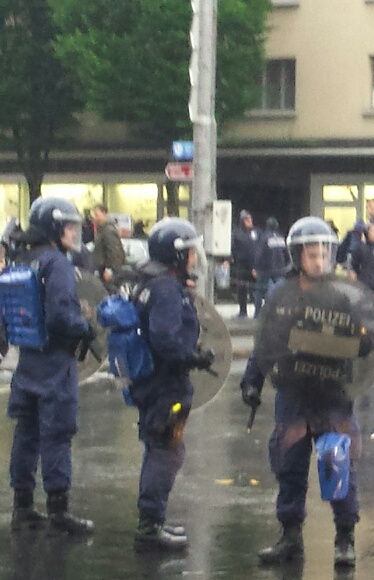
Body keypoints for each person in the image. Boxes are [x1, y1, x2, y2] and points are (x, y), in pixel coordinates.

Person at [242, 217, 374, 569]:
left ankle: (345, 538)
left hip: (333, 394)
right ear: (297, 256)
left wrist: (352, 338)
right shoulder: (280, 295)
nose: (319, 261)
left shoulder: (346, 294)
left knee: (339, 466)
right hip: (293, 394)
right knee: (289, 466)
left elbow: (369, 341)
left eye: (324, 254)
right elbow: (265, 343)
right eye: (311, 255)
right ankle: (289, 536)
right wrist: (252, 381)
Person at [6, 198, 96, 536]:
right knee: (57, 435)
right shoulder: (56, 263)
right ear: (55, 228)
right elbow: (61, 315)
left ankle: (23, 507)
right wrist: (84, 328)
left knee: (26, 435)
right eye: (69, 226)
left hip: (28, 360)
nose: (74, 232)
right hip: (56, 364)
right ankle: (59, 511)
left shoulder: (23, 258)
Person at [130, 218, 213, 551]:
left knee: (160, 447)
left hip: (153, 383)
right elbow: (164, 338)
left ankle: (154, 520)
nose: (194, 257)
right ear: (176, 254)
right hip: (167, 387)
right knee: (167, 450)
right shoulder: (166, 289)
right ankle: (150, 525)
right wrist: (192, 357)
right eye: (190, 251)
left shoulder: (153, 282)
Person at [255, 217, 289, 317]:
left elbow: (259, 254)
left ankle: (257, 315)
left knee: (259, 292)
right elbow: (287, 254)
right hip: (280, 271)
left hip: (266, 271)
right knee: (279, 294)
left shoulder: (265, 237)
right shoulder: (281, 238)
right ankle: (276, 314)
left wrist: (256, 267)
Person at [90, 204, 127, 292]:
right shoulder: (101, 230)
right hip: (100, 271)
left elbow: (114, 251)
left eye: (96, 214)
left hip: (106, 273)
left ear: (104, 213)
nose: (94, 218)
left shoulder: (108, 230)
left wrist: (109, 269)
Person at [231, 210, 259, 318]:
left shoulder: (255, 232)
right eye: (247, 219)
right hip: (242, 265)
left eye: (250, 219)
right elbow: (234, 248)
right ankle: (243, 311)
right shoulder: (237, 233)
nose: (250, 221)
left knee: (257, 289)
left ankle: (258, 311)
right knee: (241, 288)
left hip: (254, 266)